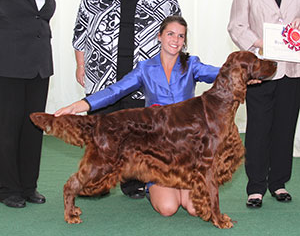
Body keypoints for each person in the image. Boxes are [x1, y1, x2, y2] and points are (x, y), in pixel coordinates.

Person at [55, 15, 220, 217]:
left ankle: (182, 185)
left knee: (195, 209)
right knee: (168, 208)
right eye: (170, 34)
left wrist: (247, 73)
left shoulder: (192, 65)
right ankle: (154, 188)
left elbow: (222, 74)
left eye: (180, 36)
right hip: (156, 147)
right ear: (159, 36)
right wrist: (81, 105)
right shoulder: (145, 68)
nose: (175, 40)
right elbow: (115, 91)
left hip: (186, 147)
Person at [72, 0, 181, 198]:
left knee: (138, 134)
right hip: (102, 75)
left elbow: (176, 34)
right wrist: (80, 64)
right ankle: (96, 181)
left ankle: (133, 182)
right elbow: (80, 29)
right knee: (102, 131)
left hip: (144, 78)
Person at [228, 0, 300, 209]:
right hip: (260, 70)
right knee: (258, 129)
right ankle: (255, 187)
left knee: (285, 128)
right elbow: (236, 26)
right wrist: (262, 42)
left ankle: (279, 183)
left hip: (293, 71)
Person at [0, 0, 56, 208]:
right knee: (8, 127)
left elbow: (41, 16)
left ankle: (28, 186)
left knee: (34, 126)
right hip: (7, 64)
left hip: (39, 65)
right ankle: (8, 188)